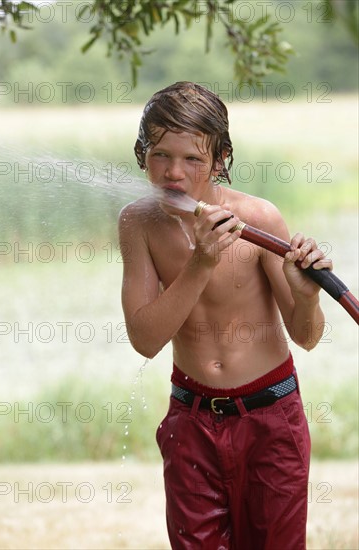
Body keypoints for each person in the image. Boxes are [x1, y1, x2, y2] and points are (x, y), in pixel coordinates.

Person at [118, 82, 332, 550]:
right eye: (160, 155)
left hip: (270, 418)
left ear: (220, 160)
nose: (174, 172)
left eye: (193, 159)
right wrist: (201, 263)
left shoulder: (260, 220)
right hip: (191, 421)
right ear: (142, 154)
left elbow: (308, 337)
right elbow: (145, 339)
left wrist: (308, 296)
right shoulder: (138, 223)